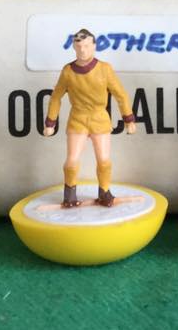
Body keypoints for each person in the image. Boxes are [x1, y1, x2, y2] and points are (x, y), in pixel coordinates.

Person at [43, 28, 136, 208]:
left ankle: (105, 192)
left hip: (99, 119)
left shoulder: (104, 69)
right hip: (77, 119)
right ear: (74, 47)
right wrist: (50, 122)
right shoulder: (68, 71)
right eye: (79, 46)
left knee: (104, 160)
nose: (83, 50)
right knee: (71, 161)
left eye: (86, 46)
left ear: (94, 46)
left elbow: (121, 94)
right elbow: (56, 97)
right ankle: (69, 195)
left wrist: (129, 119)